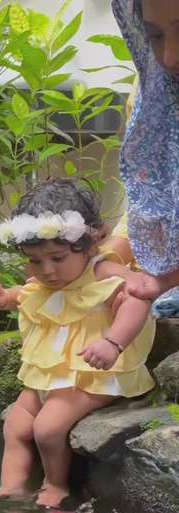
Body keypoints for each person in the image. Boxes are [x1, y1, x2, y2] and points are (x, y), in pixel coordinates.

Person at [0, 179, 155, 507]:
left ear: (90, 244)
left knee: (47, 428)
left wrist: (113, 342)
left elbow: (138, 296)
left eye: (57, 258)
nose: (47, 270)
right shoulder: (44, 277)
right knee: (16, 423)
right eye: (35, 261)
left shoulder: (103, 270)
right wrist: (1, 298)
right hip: (51, 374)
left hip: (93, 374)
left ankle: (55, 485)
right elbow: (26, 295)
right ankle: (10, 486)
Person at [111, 0, 179, 303]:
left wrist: (164, 282)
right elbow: (151, 204)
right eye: (155, 36)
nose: (170, 56)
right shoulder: (153, 96)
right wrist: (93, 260)